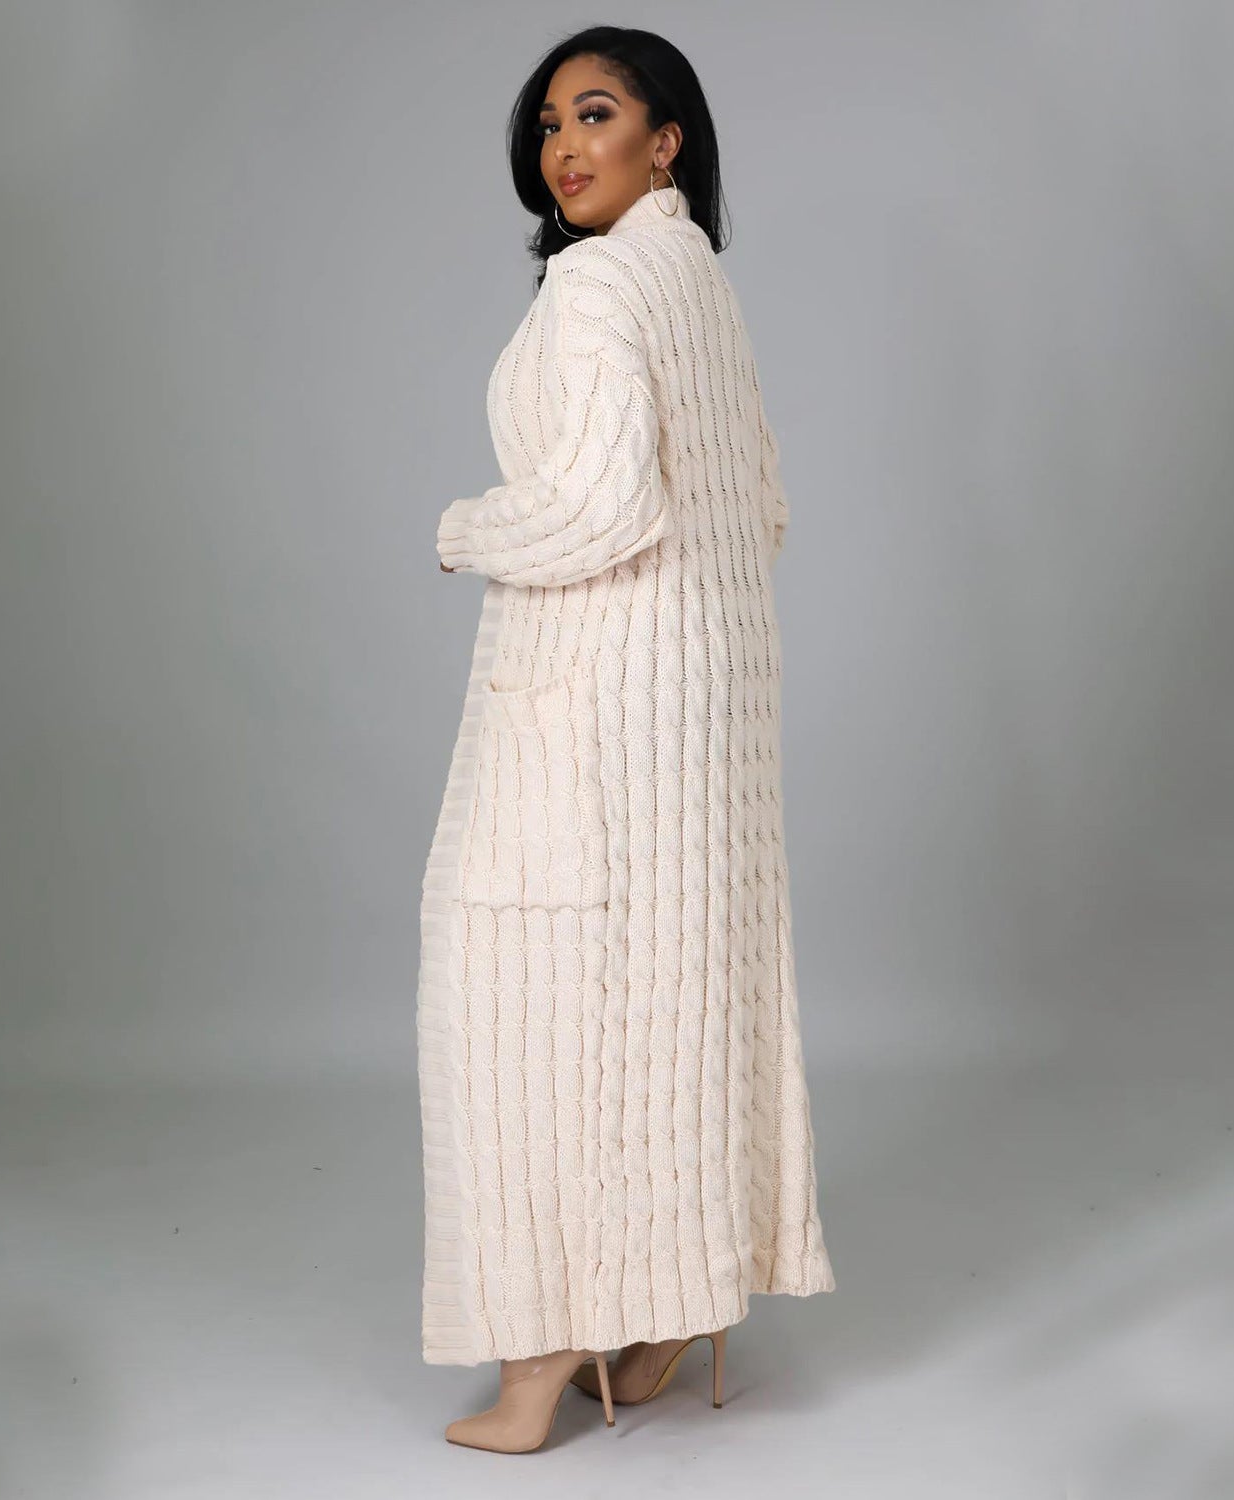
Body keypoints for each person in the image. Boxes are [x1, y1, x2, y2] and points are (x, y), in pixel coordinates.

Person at [418, 25, 836, 1453]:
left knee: (521, 1008)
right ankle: (672, 1314)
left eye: (596, 115)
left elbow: (604, 508)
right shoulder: (696, 280)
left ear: (668, 141)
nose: (563, 147)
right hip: (703, 716)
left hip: (595, 704)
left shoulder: (598, 285)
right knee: (672, 999)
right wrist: (691, 646)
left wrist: (465, 527)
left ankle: (538, 1361)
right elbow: (763, 504)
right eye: (548, 125)